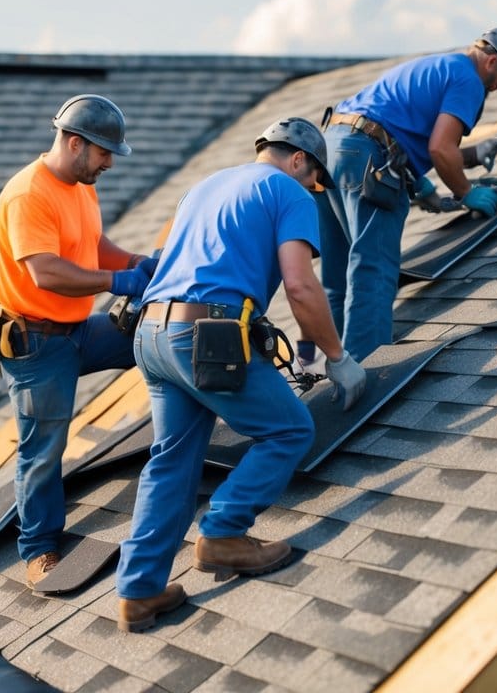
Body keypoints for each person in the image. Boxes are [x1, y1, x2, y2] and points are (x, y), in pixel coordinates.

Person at [114, 117, 368, 633]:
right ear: (300, 160)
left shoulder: (203, 187)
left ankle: (139, 592)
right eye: (313, 177)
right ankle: (223, 534)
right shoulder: (289, 192)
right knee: (290, 429)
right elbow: (301, 287)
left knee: (171, 459)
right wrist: (337, 358)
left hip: (152, 334)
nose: (312, 189)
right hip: (203, 340)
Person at [0, 93, 158, 590]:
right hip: (37, 344)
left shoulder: (81, 185)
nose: (109, 162)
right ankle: (39, 550)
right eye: (104, 152)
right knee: (43, 447)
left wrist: (133, 263)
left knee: (158, 336)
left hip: (77, 329)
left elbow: (91, 244)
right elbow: (46, 272)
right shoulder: (30, 194)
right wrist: (115, 283)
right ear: (74, 142)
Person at [316, 27, 497, 362]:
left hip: (329, 150)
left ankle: (335, 366)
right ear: (491, 61)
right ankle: (365, 367)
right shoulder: (469, 80)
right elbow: (441, 149)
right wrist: (466, 191)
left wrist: (425, 183)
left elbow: (399, 129)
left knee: (338, 270)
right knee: (374, 267)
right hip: (368, 157)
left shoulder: (438, 66)